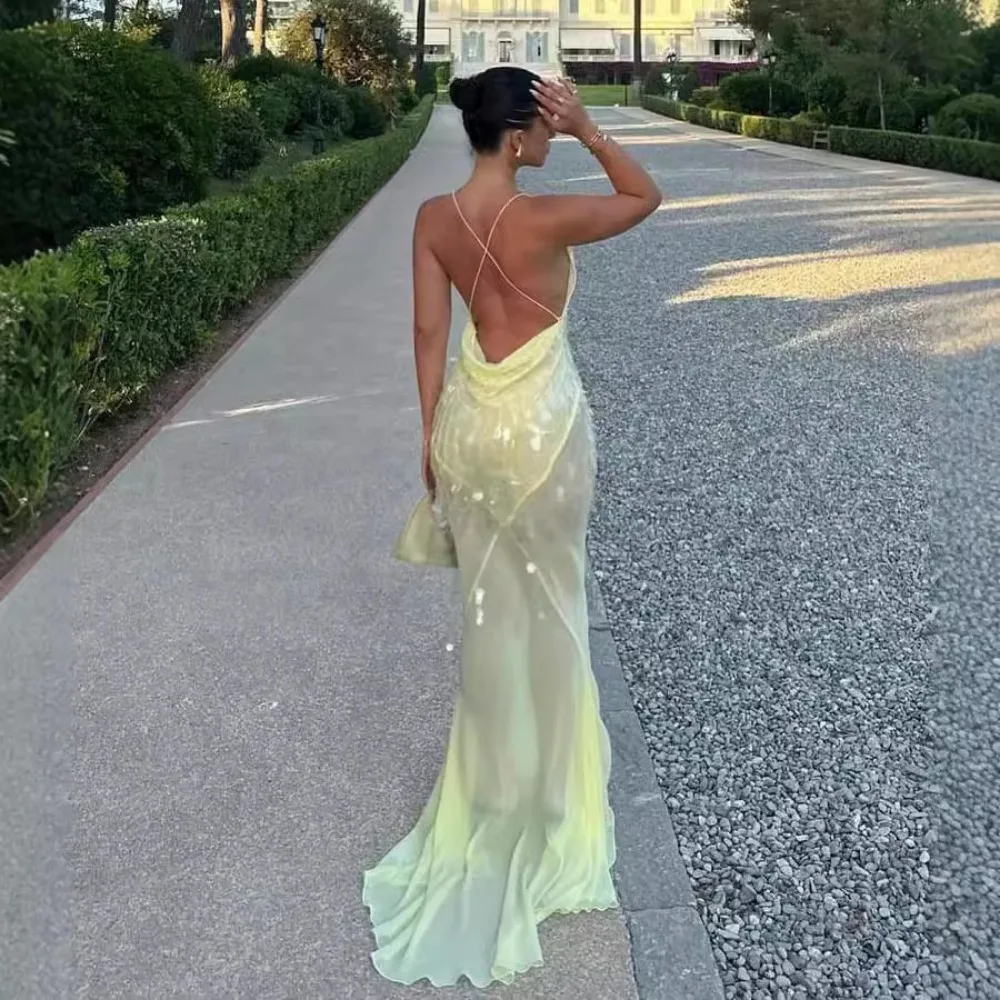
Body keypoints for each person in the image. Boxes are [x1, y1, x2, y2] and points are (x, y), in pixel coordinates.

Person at [363, 67, 662, 988]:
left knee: (491, 616)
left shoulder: (434, 220)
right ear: (525, 135)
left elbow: (427, 337)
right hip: (542, 432)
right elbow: (644, 197)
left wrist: (429, 437)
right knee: (556, 610)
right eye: (545, 128)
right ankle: (553, 806)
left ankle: (492, 795)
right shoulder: (547, 218)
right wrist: (591, 132)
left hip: (468, 432)